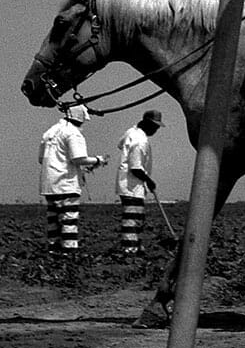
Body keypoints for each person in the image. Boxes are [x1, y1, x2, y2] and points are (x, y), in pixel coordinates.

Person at [38, 103, 107, 255]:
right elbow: (78, 158)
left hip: (49, 184)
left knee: (53, 222)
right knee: (69, 220)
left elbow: (40, 159)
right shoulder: (73, 133)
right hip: (66, 183)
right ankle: (69, 254)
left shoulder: (49, 132)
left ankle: (53, 252)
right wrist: (98, 160)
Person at [115, 109, 164, 258]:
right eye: (154, 127)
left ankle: (136, 246)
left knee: (137, 218)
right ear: (147, 123)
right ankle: (130, 250)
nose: (155, 130)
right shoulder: (139, 141)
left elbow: (120, 145)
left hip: (129, 184)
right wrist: (150, 181)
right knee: (132, 219)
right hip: (132, 185)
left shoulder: (131, 132)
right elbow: (136, 168)